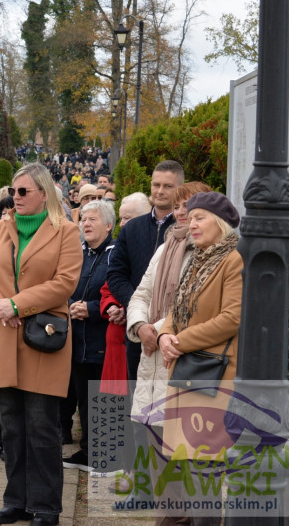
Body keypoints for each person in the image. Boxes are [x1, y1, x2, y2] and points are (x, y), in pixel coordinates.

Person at [0, 163, 82, 526]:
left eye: (22, 192)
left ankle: (47, 507)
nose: (14, 198)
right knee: (11, 428)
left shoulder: (66, 231)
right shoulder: (0, 227)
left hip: (42, 341)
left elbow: (65, 283)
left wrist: (17, 304)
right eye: (12, 192)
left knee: (42, 428)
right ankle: (16, 500)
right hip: (2, 335)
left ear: (44, 194)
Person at [156, 192, 241, 524]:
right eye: (190, 217)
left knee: (205, 470)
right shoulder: (198, 258)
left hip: (213, 379)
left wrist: (179, 341)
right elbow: (176, 311)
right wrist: (165, 335)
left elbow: (231, 318)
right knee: (188, 468)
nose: (191, 223)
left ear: (220, 223)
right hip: (187, 375)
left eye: (200, 217)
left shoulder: (234, 259)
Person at [126, 182, 212, 427]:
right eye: (177, 206)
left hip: (181, 353)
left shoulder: (209, 251)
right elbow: (142, 293)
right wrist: (140, 326)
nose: (181, 211)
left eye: (188, 205)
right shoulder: (165, 248)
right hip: (151, 354)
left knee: (177, 447)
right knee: (149, 446)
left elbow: (197, 304)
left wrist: (159, 329)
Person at [108, 160, 184, 382]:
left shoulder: (186, 230)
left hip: (175, 334)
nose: (160, 191)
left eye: (168, 186)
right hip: (137, 331)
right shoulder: (132, 228)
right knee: (139, 404)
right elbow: (116, 274)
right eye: (155, 184)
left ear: (180, 188)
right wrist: (139, 315)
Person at [60, 199, 114, 473]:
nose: (86, 224)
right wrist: (70, 303)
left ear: (108, 224)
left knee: (101, 397)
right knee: (83, 397)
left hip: (103, 337)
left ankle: (102, 454)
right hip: (77, 340)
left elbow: (117, 290)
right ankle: (88, 451)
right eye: (83, 220)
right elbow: (66, 282)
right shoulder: (79, 252)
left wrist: (91, 309)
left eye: (92, 219)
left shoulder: (115, 254)